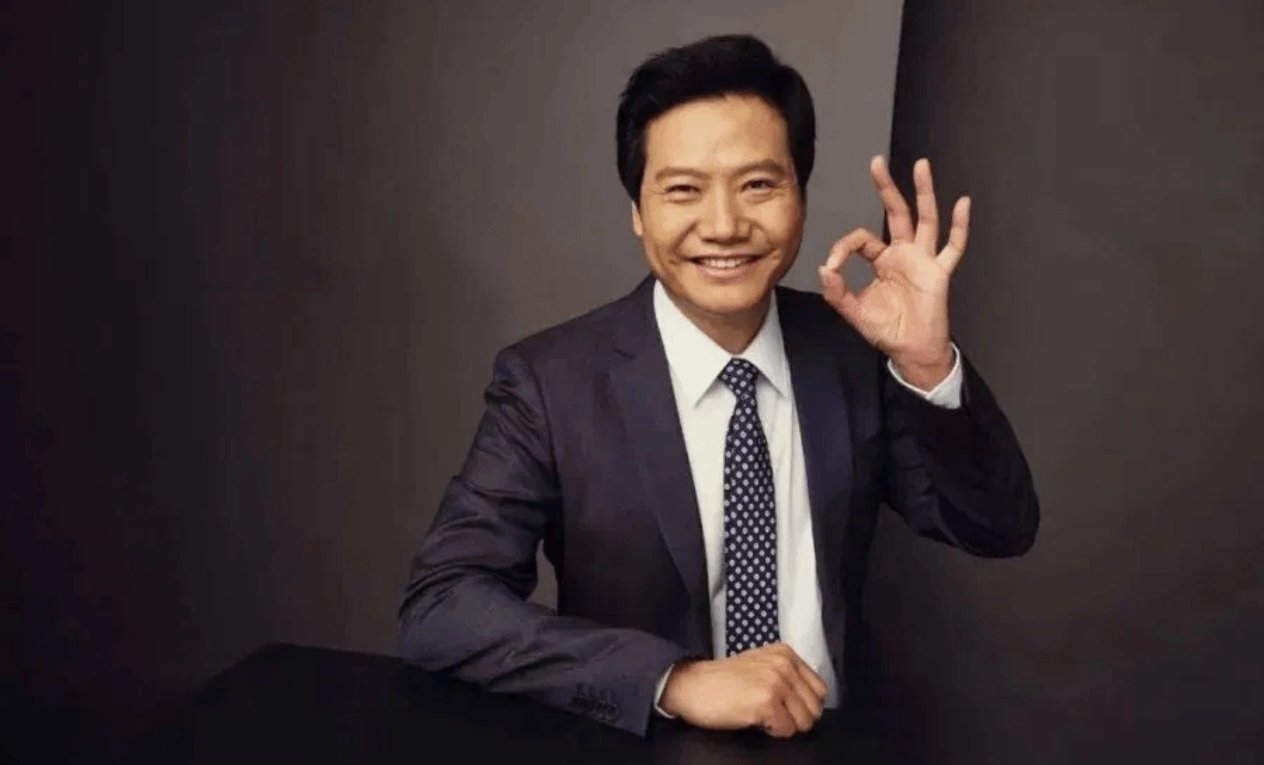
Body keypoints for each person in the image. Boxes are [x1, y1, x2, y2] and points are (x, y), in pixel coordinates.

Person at [397, 33, 1038, 739]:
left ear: (800, 195)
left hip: (826, 744)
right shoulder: (550, 384)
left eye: (758, 185)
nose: (726, 226)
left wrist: (926, 365)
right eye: (683, 190)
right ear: (638, 210)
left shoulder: (851, 350)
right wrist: (670, 679)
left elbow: (997, 527)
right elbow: (442, 604)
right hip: (641, 742)